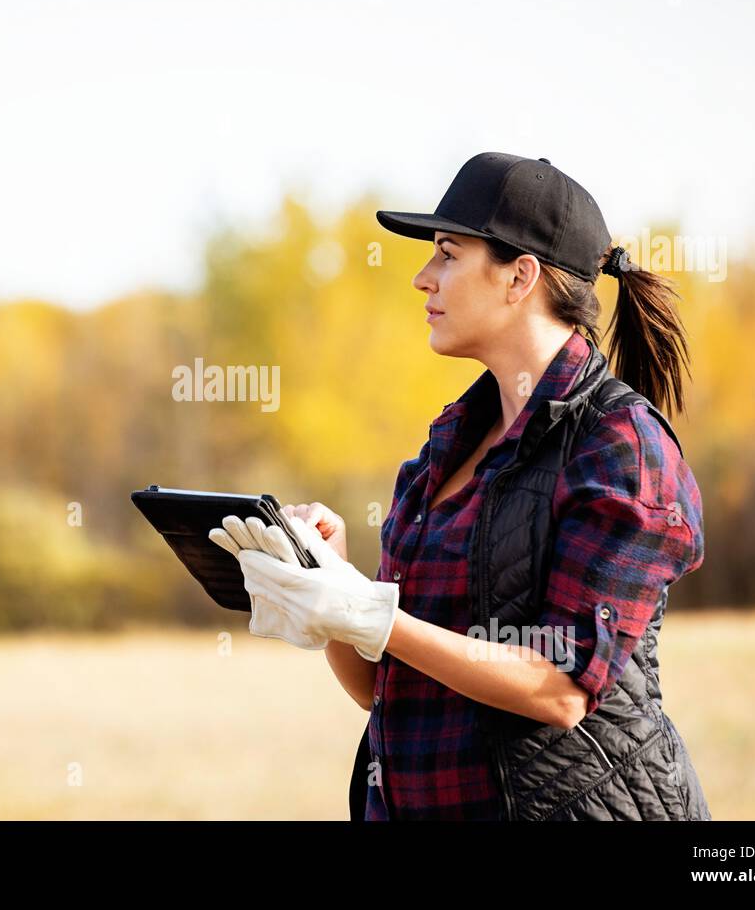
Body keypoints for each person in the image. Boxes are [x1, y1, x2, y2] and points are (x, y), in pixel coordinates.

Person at [209, 152, 712, 820]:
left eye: (447, 253)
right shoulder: (444, 450)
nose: (423, 278)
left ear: (519, 277)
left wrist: (369, 613)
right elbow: (377, 686)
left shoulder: (619, 444)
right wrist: (328, 585)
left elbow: (561, 689)